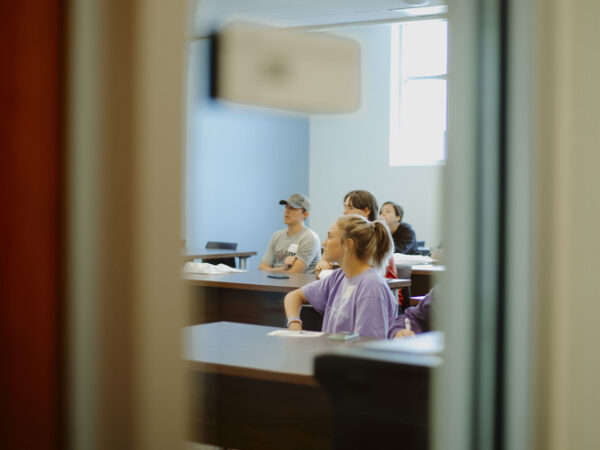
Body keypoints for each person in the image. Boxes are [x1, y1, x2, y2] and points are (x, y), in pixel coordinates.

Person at [284, 215, 397, 339]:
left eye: (330, 236)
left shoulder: (371, 286)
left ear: (348, 244)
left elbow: (367, 346)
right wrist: (294, 322)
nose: (324, 243)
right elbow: (293, 296)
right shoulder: (339, 277)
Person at [259, 194, 321, 273]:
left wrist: (273, 271)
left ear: (305, 214)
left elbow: (293, 274)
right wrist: (282, 268)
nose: (286, 211)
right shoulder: (277, 235)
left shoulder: (310, 238)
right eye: (286, 207)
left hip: (299, 285)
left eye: (292, 208)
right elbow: (261, 269)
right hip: (274, 283)